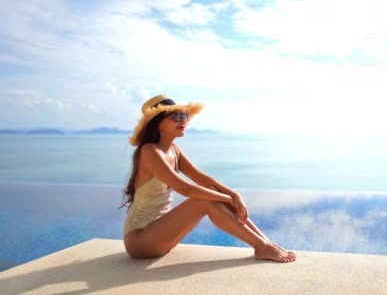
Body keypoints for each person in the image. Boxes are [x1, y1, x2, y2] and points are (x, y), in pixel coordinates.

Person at [121, 94, 296, 263]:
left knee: (213, 194)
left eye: (184, 115)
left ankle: (265, 242)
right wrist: (226, 198)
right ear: (158, 123)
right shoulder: (150, 151)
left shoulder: (174, 149)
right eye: (175, 116)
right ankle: (262, 246)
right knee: (204, 200)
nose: (183, 120)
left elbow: (203, 179)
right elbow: (185, 189)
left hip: (160, 234)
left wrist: (233, 195)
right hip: (140, 241)